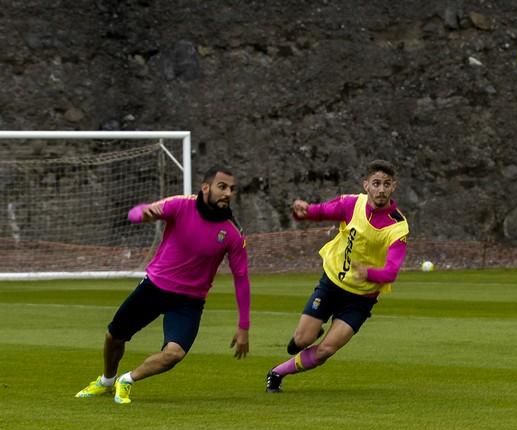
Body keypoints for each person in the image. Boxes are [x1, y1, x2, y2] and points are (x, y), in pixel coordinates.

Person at [75, 166, 250, 404]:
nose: (228, 193)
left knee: (174, 354)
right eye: (222, 187)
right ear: (206, 187)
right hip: (154, 288)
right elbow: (135, 213)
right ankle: (106, 381)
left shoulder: (233, 233)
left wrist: (243, 327)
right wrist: (144, 214)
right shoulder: (180, 205)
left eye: (232, 189)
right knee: (113, 336)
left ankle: (126, 380)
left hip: (189, 301)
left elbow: (241, 278)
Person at [266, 160, 408, 392]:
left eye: (386, 184)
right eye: (376, 183)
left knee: (326, 351)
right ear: (366, 185)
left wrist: (369, 272)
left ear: (394, 187)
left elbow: (391, 271)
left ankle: (276, 373)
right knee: (302, 340)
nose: (381, 189)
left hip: (361, 298)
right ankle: (307, 334)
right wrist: (304, 213)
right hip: (332, 284)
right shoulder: (351, 204)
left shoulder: (398, 227)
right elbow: (322, 211)